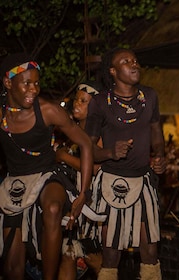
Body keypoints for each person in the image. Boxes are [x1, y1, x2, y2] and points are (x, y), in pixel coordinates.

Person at [0, 53, 93, 280]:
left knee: (52, 208)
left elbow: (86, 143)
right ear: (8, 83)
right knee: (13, 269)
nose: (34, 89)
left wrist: (82, 194)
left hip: (48, 175)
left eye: (37, 83)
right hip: (16, 182)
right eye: (27, 83)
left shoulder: (48, 111)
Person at [84, 47, 167, 280]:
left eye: (135, 60)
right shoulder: (99, 103)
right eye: (125, 61)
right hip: (112, 182)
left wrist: (159, 156)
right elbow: (88, 149)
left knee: (150, 250)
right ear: (112, 71)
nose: (134, 64)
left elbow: (156, 134)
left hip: (143, 181)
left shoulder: (149, 96)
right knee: (111, 254)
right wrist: (110, 152)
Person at [55, 81, 104, 280]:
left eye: (83, 101)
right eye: (76, 99)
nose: (76, 104)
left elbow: (95, 168)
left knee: (94, 257)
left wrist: (64, 157)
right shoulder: (73, 132)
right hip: (75, 202)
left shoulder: (99, 134)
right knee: (68, 254)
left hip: (93, 202)